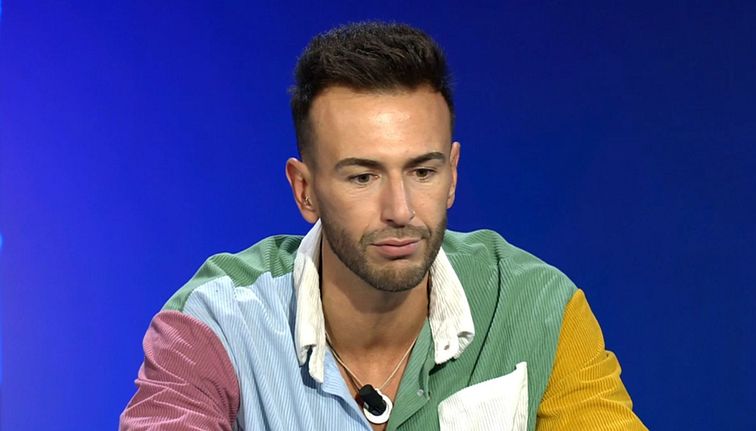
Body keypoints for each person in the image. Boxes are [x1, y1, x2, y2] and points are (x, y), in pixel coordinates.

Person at [120, 22, 646, 431]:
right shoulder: (216, 321)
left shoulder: (537, 307)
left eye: (422, 172)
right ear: (305, 190)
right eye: (363, 176)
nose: (400, 209)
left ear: (452, 175)